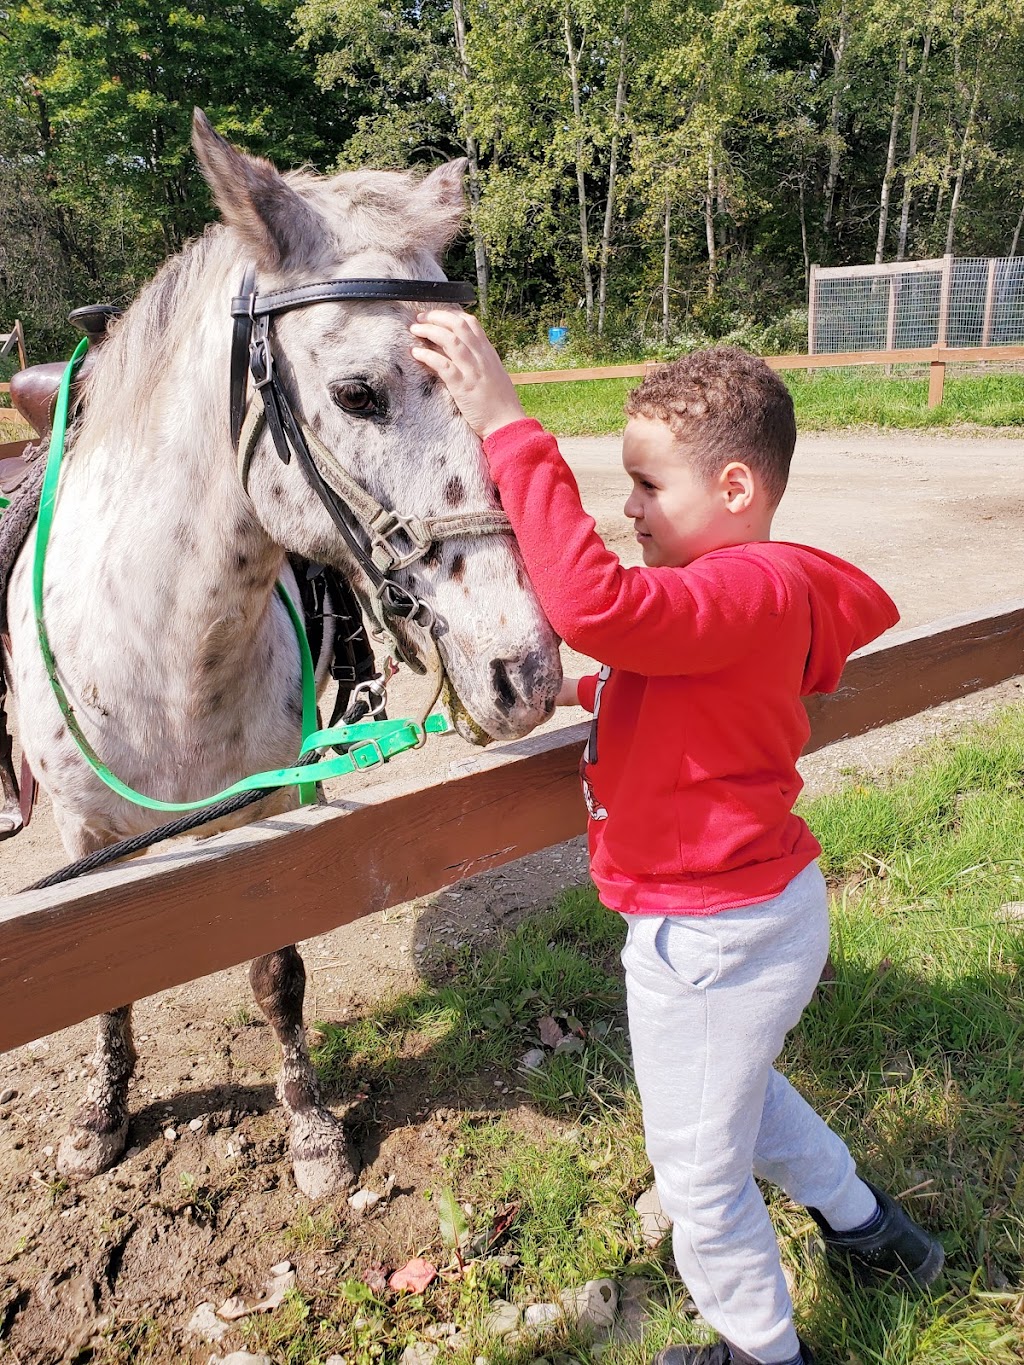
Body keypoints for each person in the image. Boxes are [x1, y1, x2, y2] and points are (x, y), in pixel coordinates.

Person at [409, 318, 944, 1365]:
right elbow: (671, 683)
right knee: (737, 1100)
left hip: (710, 935)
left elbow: (596, 607)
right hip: (740, 922)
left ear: (736, 490)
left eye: (648, 487)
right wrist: (560, 685)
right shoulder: (740, 603)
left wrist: (511, 429)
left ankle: (759, 1351)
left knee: (698, 1180)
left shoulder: (750, 584)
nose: (628, 509)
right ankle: (876, 1235)